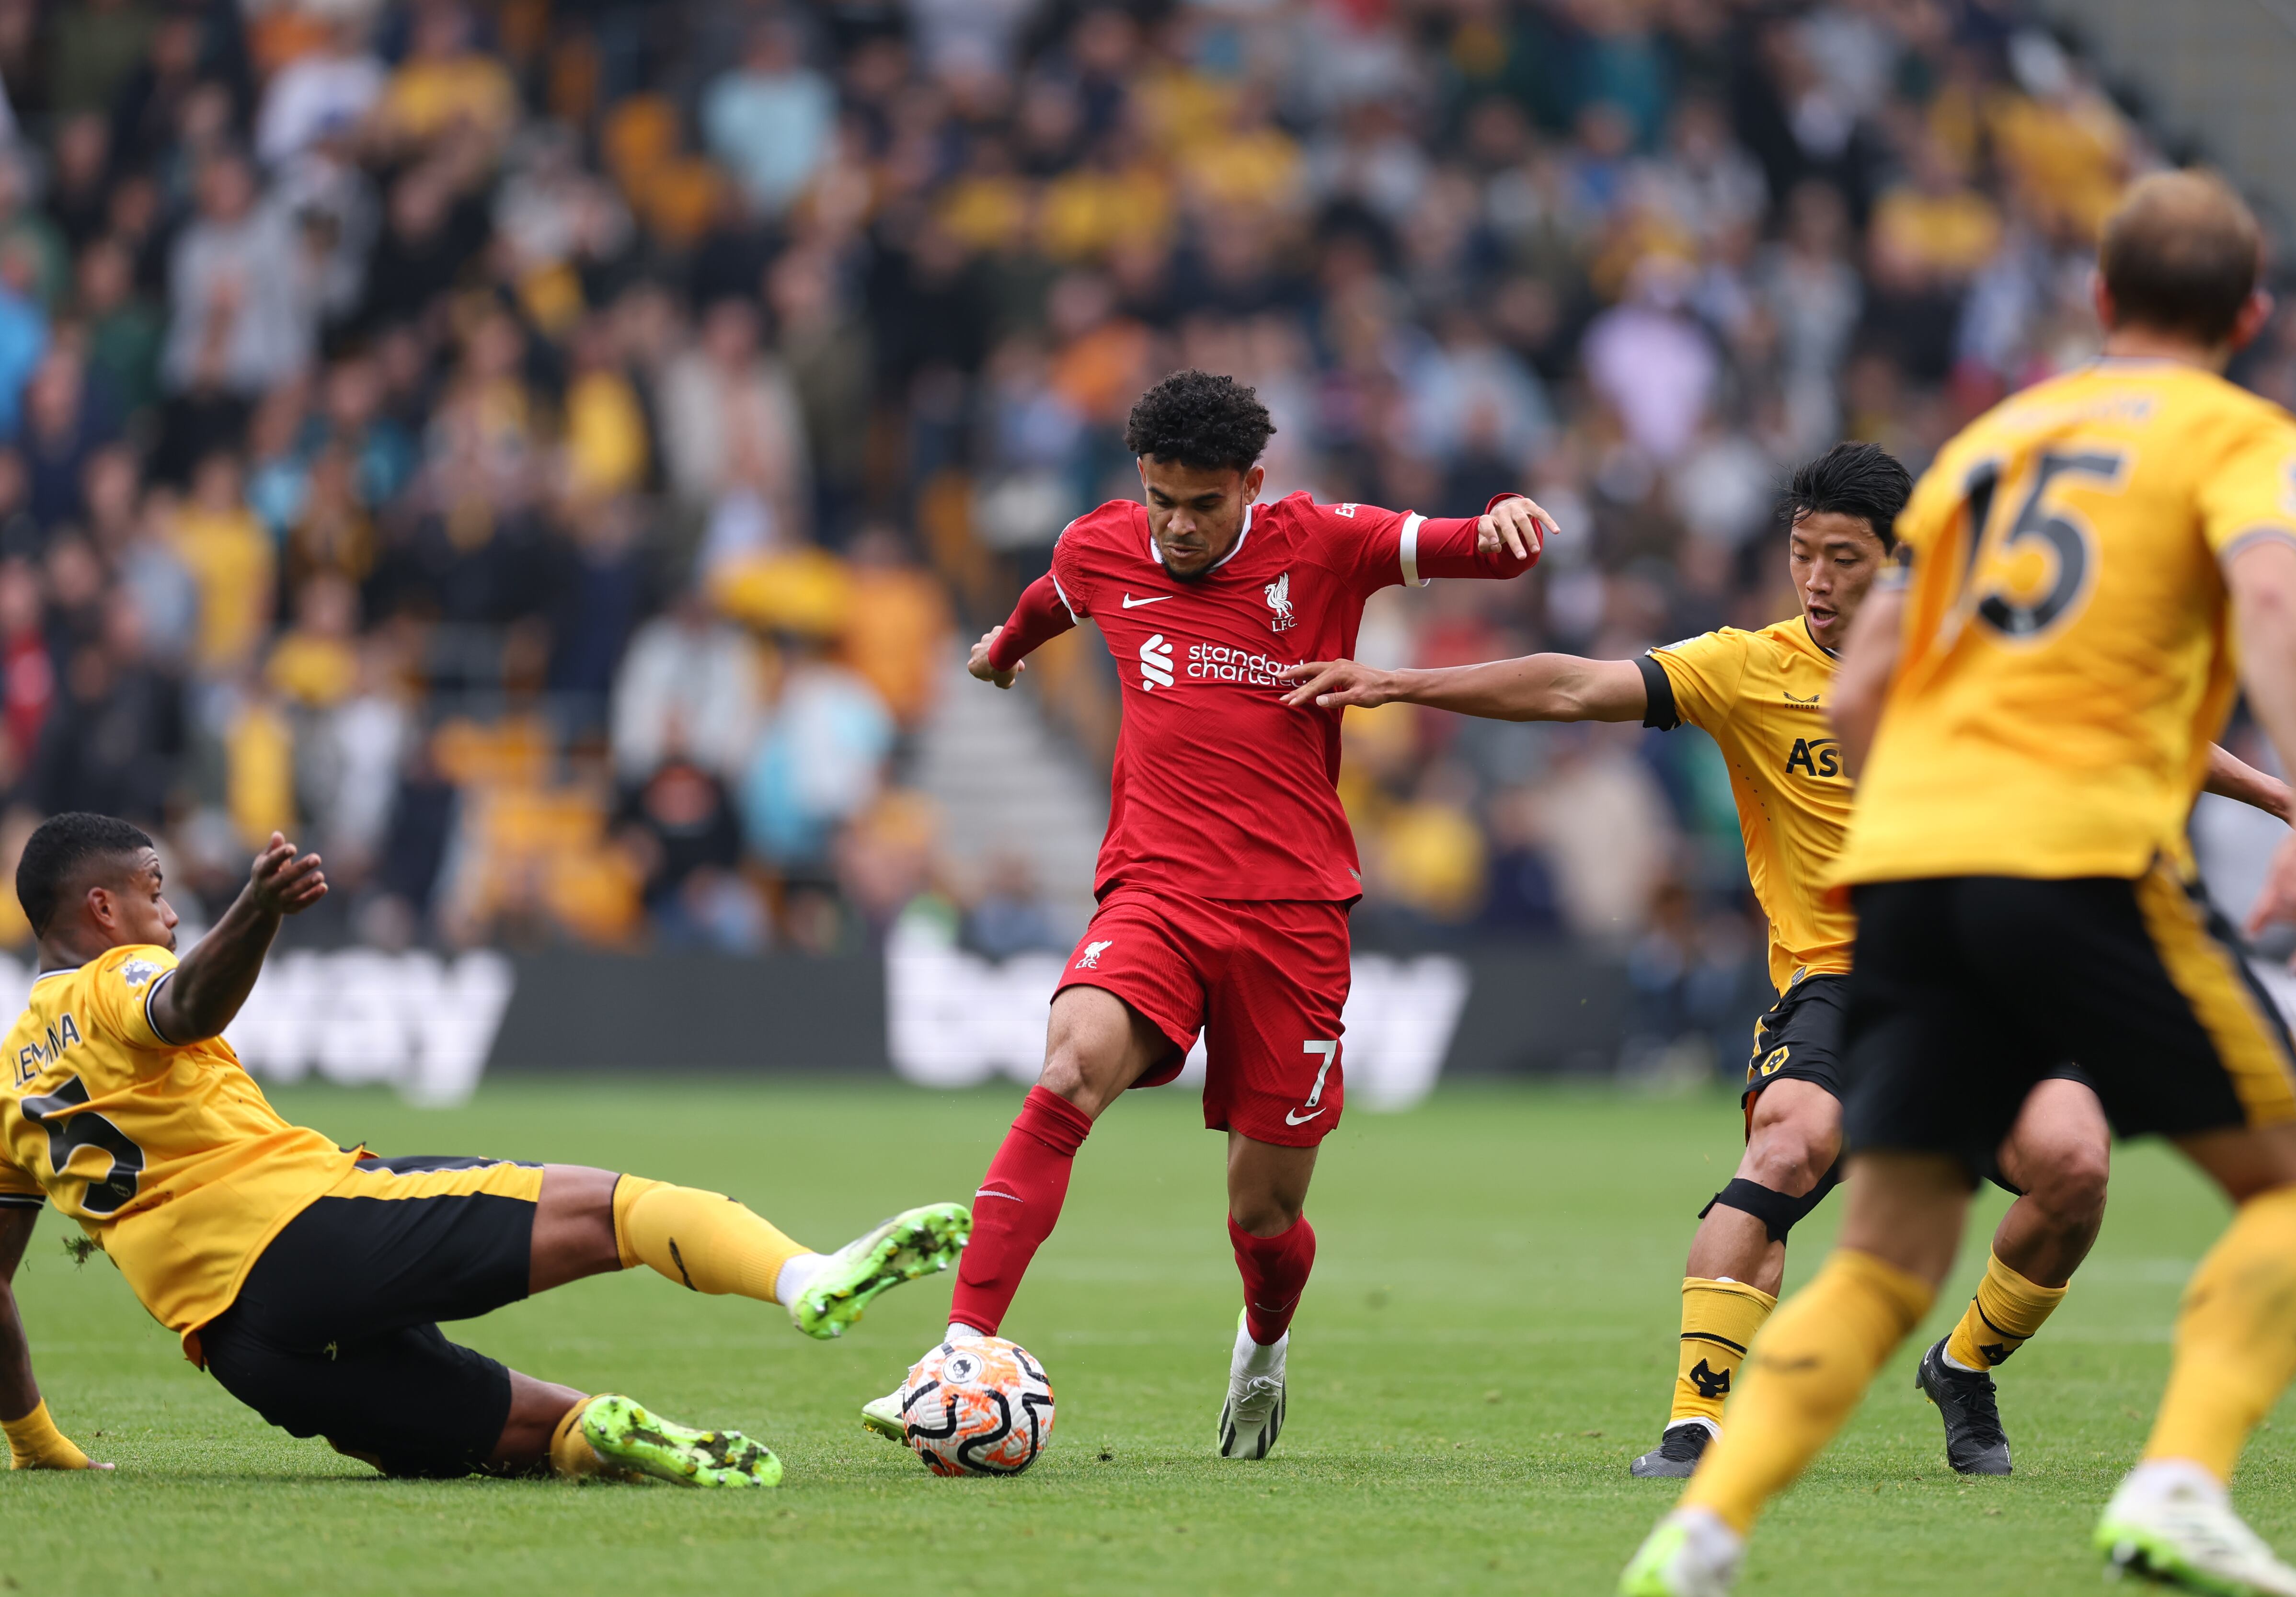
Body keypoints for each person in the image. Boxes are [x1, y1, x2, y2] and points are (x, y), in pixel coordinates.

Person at [1280, 442, 2296, 1484]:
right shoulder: (1750, 668)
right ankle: (1693, 1424)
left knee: (2075, 1167)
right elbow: (1575, 686)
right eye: (1803, 553)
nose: (1815, 579)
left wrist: (2281, 796)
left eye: (1842, 558)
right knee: (1791, 1141)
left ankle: (1963, 1367)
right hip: (1844, 980)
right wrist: (1402, 683)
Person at [1618, 171, 2296, 1597]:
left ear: (2099, 303)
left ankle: (1702, 1534)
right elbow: (2274, 598)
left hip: (1915, 888)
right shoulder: (2240, 433)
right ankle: (2180, 1483)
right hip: (2068, 862)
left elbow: (1866, 691)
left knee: (1898, 1242)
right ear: (2252, 317)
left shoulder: (1993, 446)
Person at [862, 368, 1552, 1459]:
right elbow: (1059, 590)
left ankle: (1264, 1340)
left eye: (1204, 504)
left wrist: (1509, 527)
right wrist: (1005, 645)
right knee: (1068, 1067)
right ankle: (958, 1348)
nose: (1178, 526)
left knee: (1264, 1213)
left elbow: (1467, 544)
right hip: (1157, 890)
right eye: (1161, 500)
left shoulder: (1322, 540)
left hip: (1293, 914)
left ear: (1252, 485)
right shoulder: (1103, 543)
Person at [0, 812, 970, 1484]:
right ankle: (811, 1276)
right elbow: (182, 1004)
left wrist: (39, 1442)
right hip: (303, 1230)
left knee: (514, 1434)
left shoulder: (9, 1084)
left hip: (248, 1353)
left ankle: (597, 1429)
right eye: (156, 893)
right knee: (612, 1207)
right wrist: (255, 911)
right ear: (101, 909)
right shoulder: (122, 971)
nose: (169, 914)